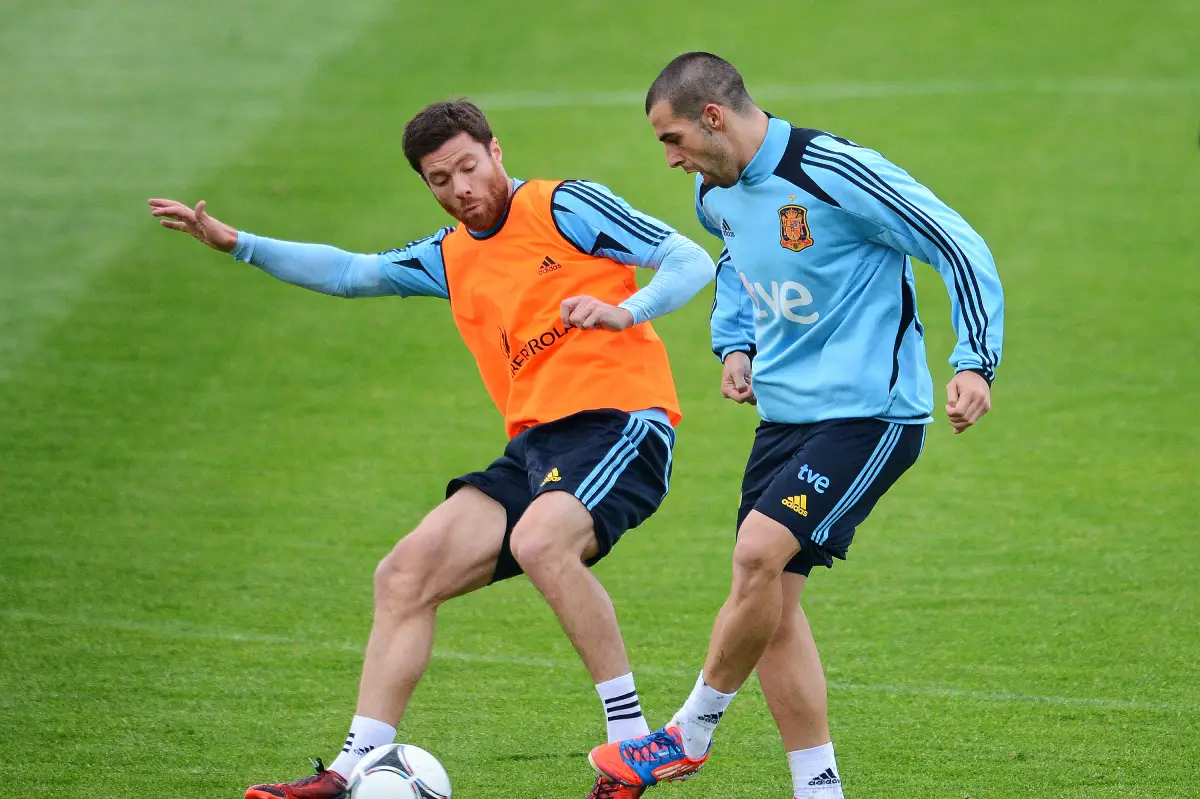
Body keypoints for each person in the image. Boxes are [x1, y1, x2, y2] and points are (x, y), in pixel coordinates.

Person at [149, 98, 715, 799]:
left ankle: (630, 743)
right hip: (535, 446)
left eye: (469, 168)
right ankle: (351, 768)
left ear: (496, 151)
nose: (461, 190)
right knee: (404, 574)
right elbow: (350, 273)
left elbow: (689, 259)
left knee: (541, 542)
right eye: (440, 180)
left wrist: (625, 310)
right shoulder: (449, 254)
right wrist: (238, 242)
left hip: (619, 420)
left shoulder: (565, 206)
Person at [589, 52, 1005, 798]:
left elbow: (956, 243)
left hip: (869, 414)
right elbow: (735, 262)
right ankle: (819, 787)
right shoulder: (714, 194)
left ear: (714, 117)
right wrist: (736, 344)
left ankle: (687, 733)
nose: (671, 159)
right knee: (772, 604)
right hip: (783, 419)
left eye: (673, 139)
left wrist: (975, 361)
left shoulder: (835, 172)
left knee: (757, 555)